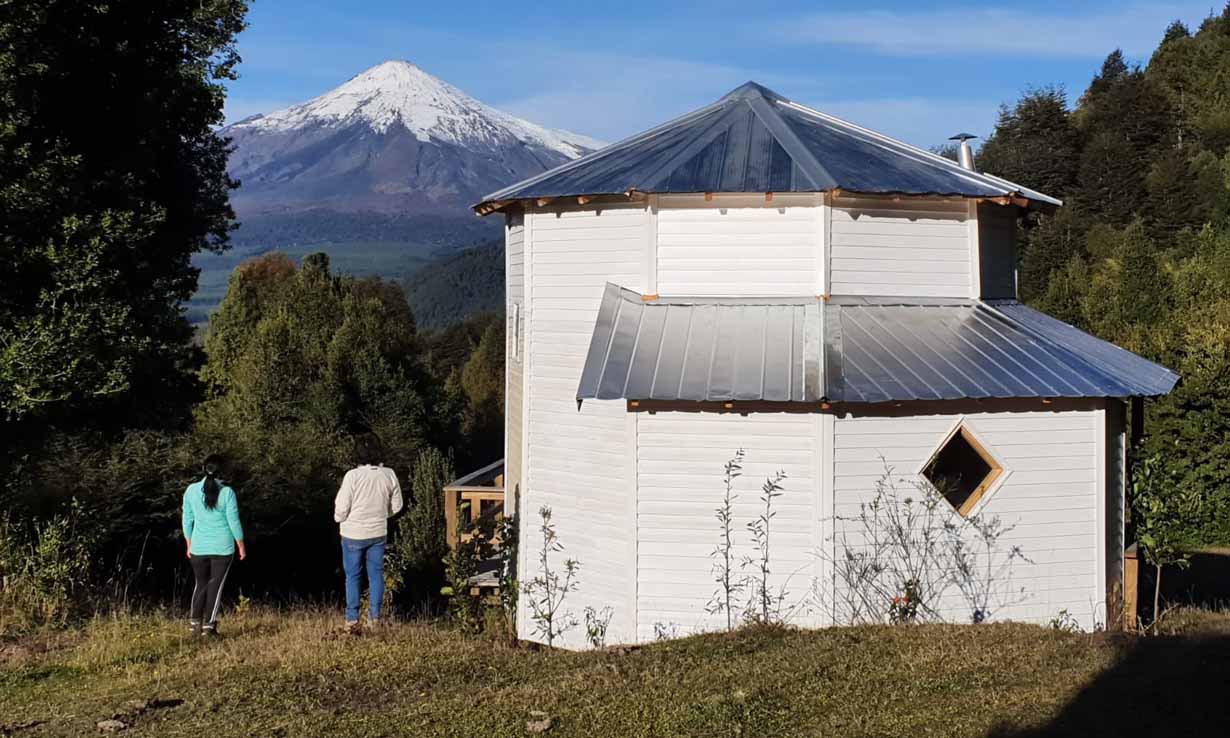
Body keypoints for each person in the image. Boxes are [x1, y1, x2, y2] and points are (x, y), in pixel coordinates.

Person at [334, 434, 404, 630]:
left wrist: (339, 518)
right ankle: (374, 617)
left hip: (353, 532)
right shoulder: (389, 474)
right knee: (376, 575)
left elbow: (342, 506)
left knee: (353, 575)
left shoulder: (352, 476)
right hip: (378, 531)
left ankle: (352, 619)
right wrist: (383, 514)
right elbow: (397, 505)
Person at [182, 454, 246, 636]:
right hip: (223, 548)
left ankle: (194, 624)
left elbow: (187, 519)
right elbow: (233, 521)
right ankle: (209, 628)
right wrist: (241, 545)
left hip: (198, 547)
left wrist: (189, 543)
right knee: (215, 586)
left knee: (200, 584)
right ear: (222, 471)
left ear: (203, 468)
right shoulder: (227, 492)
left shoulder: (191, 490)